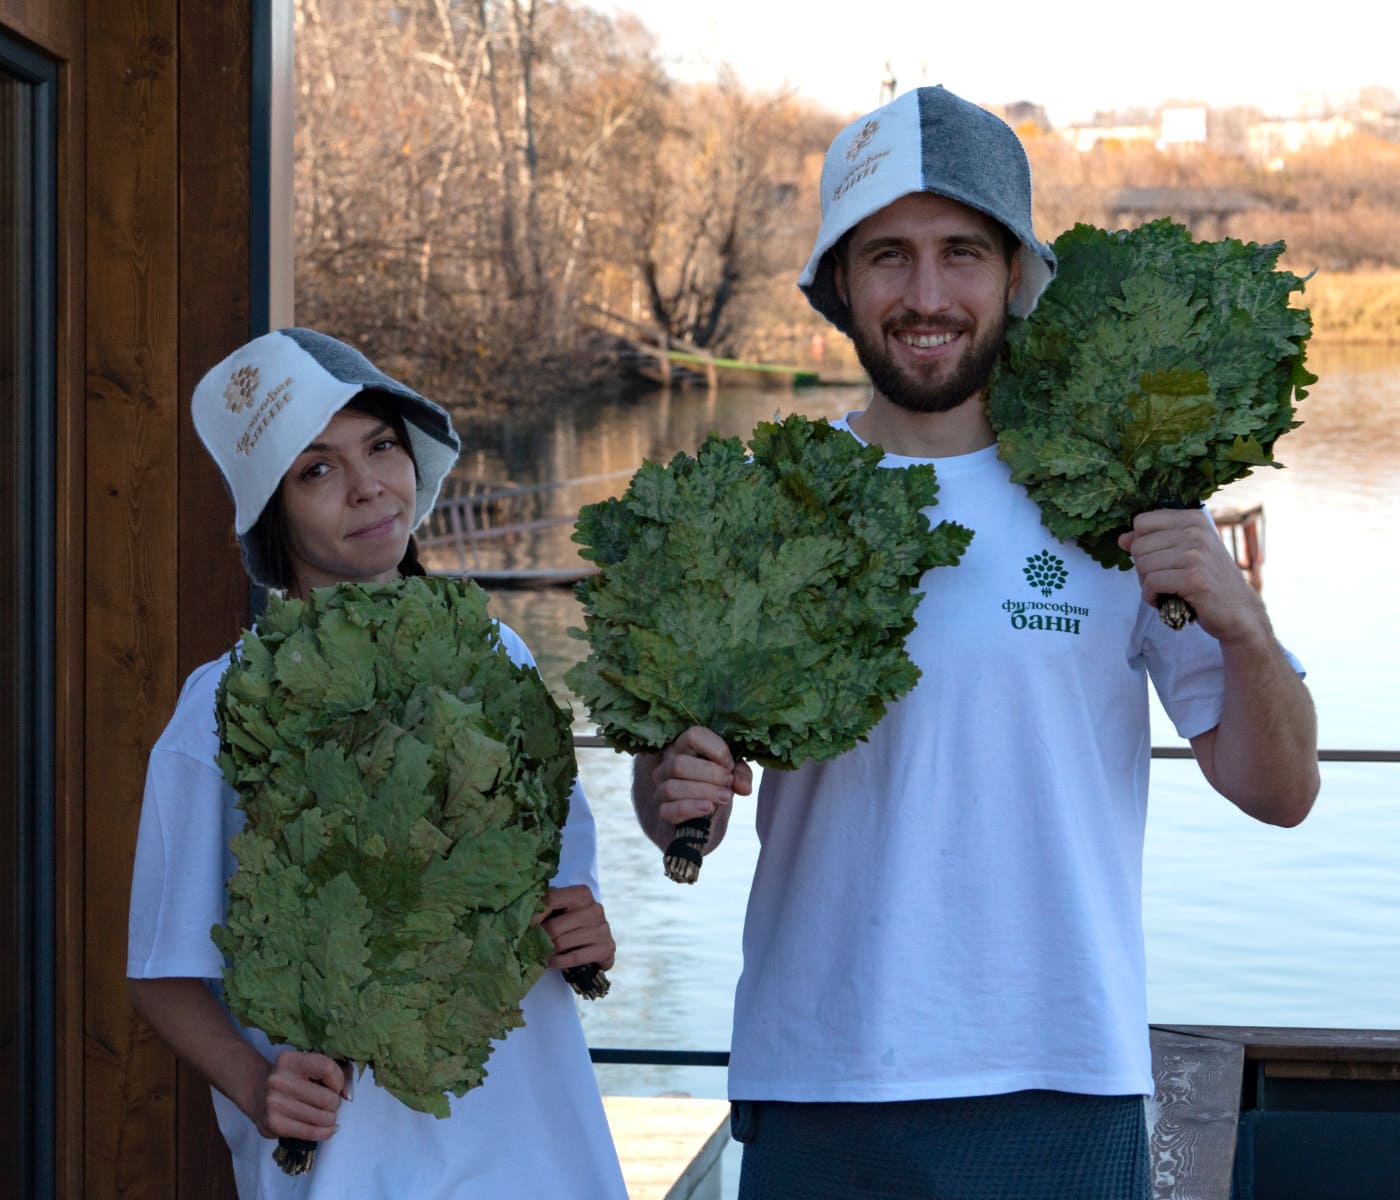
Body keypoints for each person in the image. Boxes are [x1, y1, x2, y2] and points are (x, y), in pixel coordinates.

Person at [633, 86, 1319, 1199]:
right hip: (819, 1079)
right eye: (886, 255)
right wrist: (672, 787)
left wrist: (1241, 628)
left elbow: (1278, 791)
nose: (925, 294)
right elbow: (670, 788)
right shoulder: (761, 501)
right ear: (839, 284)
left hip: (1060, 1077)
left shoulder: (1117, 496)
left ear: (1014, 274)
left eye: (961, 251)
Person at [127, 327, 628, 1199]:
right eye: (316, 470)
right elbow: (162, 977)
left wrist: (588, 937)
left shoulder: (499, 656)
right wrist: (256, 1088)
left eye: (382, 446)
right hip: (352, 1169)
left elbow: (558, 893)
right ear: (271, 513)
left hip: (536, 1149)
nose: (367, 487)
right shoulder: (222, 707)